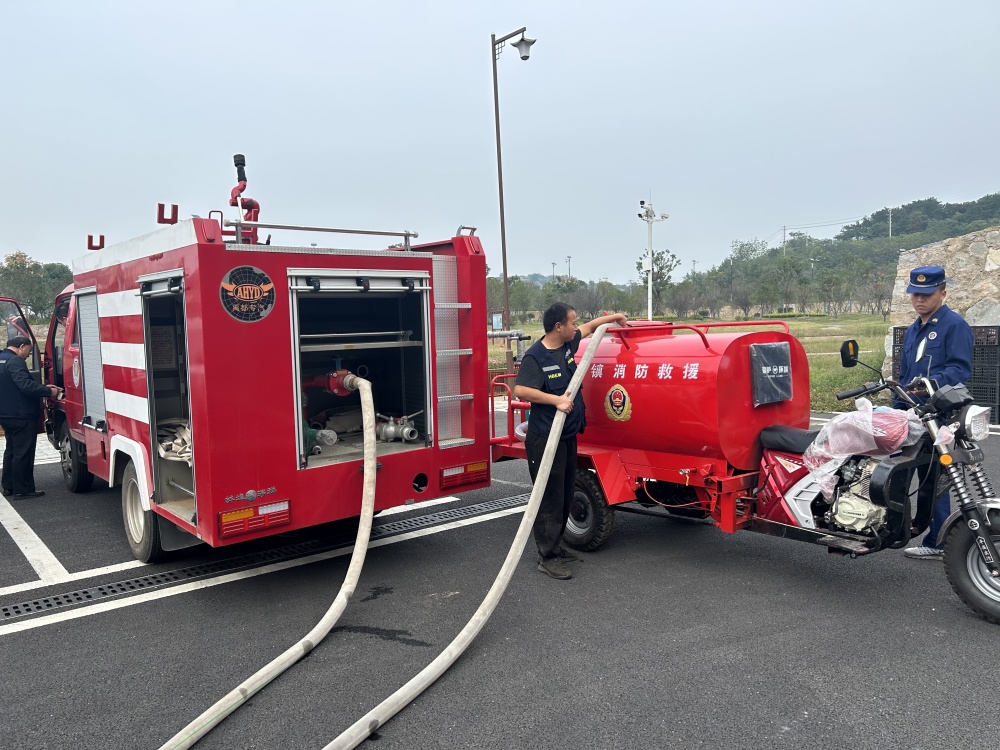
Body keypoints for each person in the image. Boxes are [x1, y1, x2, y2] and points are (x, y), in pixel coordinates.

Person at [513, 303, 627, 579]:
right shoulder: (536, 357)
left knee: (565, 495)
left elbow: (590, 329)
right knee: (549, 498)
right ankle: (547, 557)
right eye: (572, 322)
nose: (577, 327)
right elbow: (521, 389)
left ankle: (557, 545)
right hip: (545, 439)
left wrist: (615, 318)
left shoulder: (567, 342)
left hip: (566, 435)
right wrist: (557, 400)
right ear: (558, 327)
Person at [892, 265, 973, 560]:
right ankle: (895, 529)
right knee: (897, 472)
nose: (919, 299)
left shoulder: (954, 325)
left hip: (939, 415)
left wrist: (927, 388)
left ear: (943, 292)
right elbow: (904, 375)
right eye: (915, 293)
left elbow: (959, 370)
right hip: (912, 415)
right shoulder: (913, 329)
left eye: (926, 294)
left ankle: (938, 541)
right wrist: (896, 409)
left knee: (935, 478)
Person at [0, 336, 61, 498]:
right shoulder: (15, 362)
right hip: (21, 414)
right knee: (24, 452)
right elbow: (25, 386)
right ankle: (23, 489)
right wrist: (49, 391)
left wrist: (42, 387)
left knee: (12, 450)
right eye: (29, 350)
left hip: (5, 414)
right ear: (21, 346)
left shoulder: (2, 359)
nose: (28, 355)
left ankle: (9, 486)